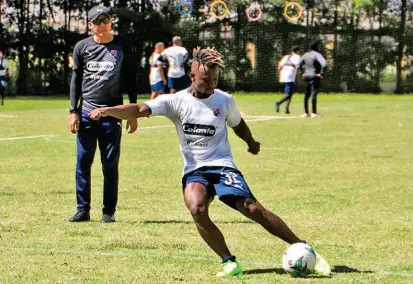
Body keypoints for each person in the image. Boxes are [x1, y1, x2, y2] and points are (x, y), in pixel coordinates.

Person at [89, 47, 331, 277]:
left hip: (223, 165)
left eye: (215, 80)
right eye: (206, 80)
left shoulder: (224, 100)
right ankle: (229, 262)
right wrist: (109, 110)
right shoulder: (176, 101)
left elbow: (238, 125)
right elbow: (139, 108)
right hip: (195, 170)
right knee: (196, 208)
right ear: (192, 75)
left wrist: (251, 143)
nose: (212, 84)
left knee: (252, 208)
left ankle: (307, 251)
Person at [68, 5, 138, 223]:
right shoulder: (82, 47)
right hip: (87, 113)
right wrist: (73, 111)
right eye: (96, 21)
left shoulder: (122, 45)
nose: (101, 25)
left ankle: (108, 212)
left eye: (104, 20)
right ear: (90, 24)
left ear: (111, 21)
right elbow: (76, 81)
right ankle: (82, 209)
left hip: (113, 114)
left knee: (109, 163)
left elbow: (130, 79)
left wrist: (132, 112)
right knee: (83, 162)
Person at [299, 40, 327, 118]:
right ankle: (314, 113)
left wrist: (302, 73)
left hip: (306, 76)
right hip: (315, 76)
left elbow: (298, 65)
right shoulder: (317, 54)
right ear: (316, 47)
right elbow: (324, 64)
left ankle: (305, 112)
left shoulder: (305, 55)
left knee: (306, 94)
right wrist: (321, 73)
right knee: (314, 94)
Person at [275, 46, 301, 114]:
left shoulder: (286, 56)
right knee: (289, 94)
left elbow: (279, 66)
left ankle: (287, 109)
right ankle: (278, 103)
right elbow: (297, 66)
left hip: (284, 73)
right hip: (290, 74)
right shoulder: (297, 56)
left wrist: (280, 74)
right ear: (297, 51)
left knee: (290, 92)